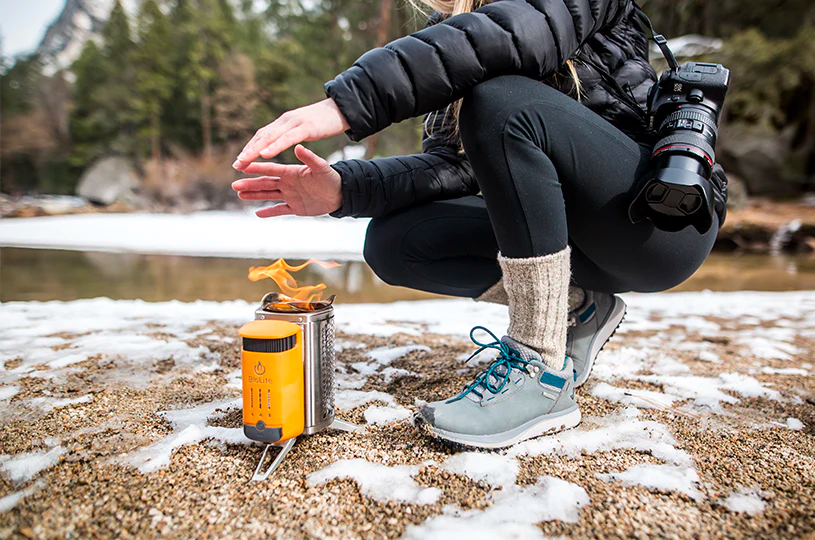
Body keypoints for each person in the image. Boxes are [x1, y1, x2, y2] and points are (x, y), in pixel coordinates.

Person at [231, 0, 728, 449]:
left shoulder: (513, 28)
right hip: (576, 241)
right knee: (395, 242)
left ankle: (541, 370)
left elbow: (517, 34)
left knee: (502, 103)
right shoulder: (452, 34)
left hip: (656, 223)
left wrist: (348, 101)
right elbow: (452, 167)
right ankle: (578, 309)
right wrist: (343, 189)